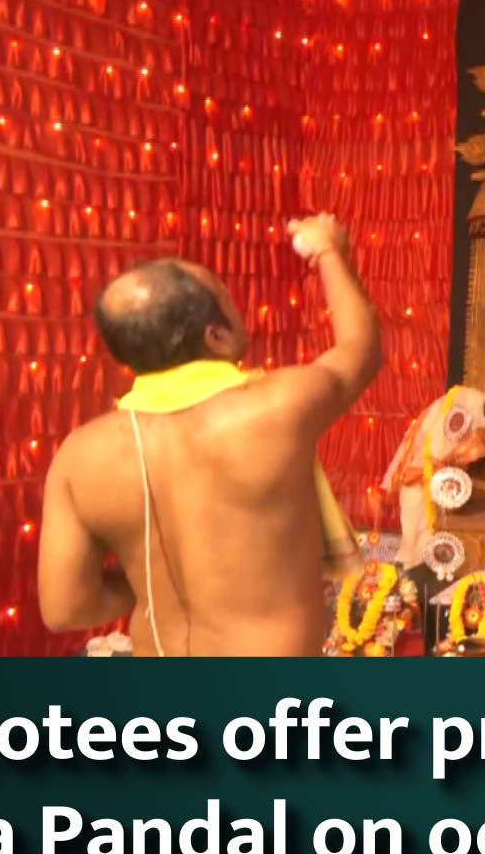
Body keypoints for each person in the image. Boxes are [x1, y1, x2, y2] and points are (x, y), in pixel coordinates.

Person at [39, 212, 382, 656]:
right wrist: (328, 251)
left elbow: (65, 608)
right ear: (216, 336)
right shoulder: (277, 406)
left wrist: (154, 579)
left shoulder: (79, 456)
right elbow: (361, 348)